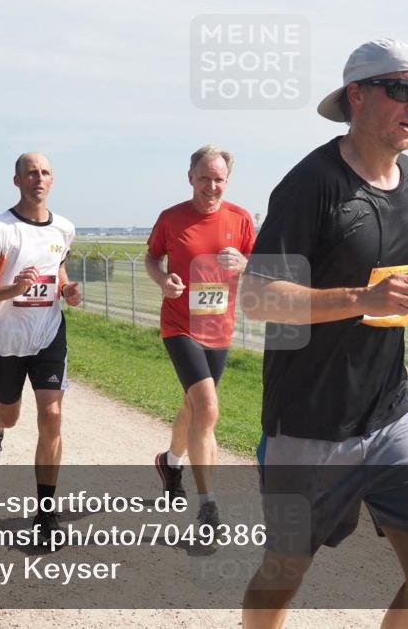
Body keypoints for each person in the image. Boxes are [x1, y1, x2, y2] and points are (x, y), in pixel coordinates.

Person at [239, 39, 408, 629]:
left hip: (391, 414)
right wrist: (361, 301)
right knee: (282, 576)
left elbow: (395, 263)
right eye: (401, 89)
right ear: (358, 95)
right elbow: (257, 295)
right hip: (309, 427)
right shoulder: (310, 185)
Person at [0, 152, 81, 545]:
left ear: (53, 180)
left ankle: (45, 518)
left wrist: (66, 289)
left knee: (51, 417)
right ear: (16, 180)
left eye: (45, 172)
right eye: (31, 173)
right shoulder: (0, 230)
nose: (39, 178)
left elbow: (58, 267)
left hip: (48, 335)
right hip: (6, 341)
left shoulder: (63, 228)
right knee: (10, 416)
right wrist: (13, 289)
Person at [145, 145, 255, 532]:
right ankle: (208, 506)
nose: (211, 186)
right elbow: (152, 258)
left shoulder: (240, 220)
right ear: (190, 177)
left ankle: (170, 462)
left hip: (219, 330)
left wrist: (245, 263)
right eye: (204, 178)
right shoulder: (171, 219)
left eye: (219, 179)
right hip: (179, 326)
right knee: (207, 407)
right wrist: (163, 281)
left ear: (228, 180)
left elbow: (259, 267)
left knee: (194, 409)